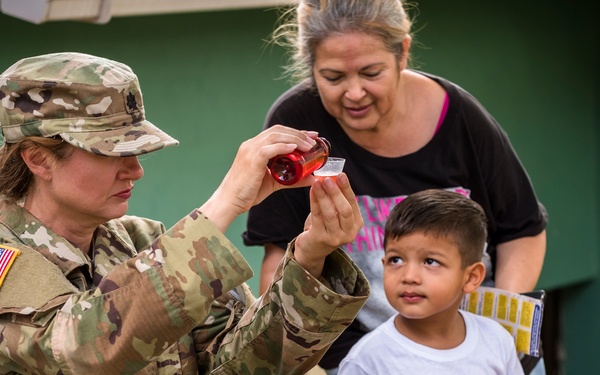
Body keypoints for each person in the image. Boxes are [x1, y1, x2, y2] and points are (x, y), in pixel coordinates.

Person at [0, 52, 369, 374]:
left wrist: (310, 256)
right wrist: (225, 203)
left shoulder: (143, 241)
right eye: (109, 152)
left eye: (136, 151)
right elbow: (85, 352)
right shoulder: (8, 254)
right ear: (38, 159)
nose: (135, 170)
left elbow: (246, 364)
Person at [243, 0, 547, 373]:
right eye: (333, 78)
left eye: (371, 73)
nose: (354, 93)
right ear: (311, 68)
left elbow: (523, 229)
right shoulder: (298, 126)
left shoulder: (460, 118)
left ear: (402, 52)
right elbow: (279, 259)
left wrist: (489, 337)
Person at [338, 189, 524, 374]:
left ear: (471, 277)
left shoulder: (497, 341)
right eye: (396, 260)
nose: (409, 276)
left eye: (430, 262)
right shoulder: (366, 361)